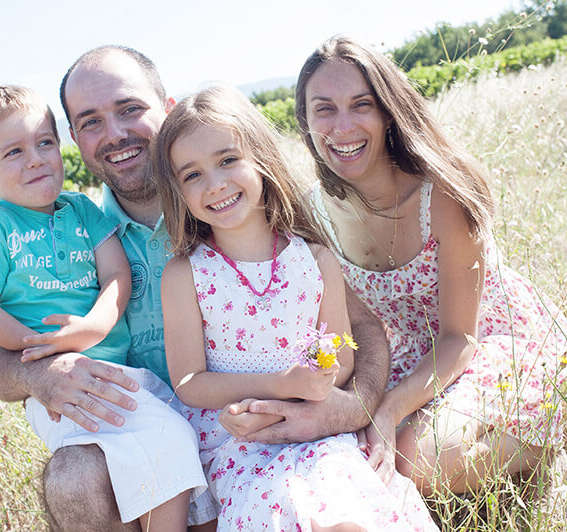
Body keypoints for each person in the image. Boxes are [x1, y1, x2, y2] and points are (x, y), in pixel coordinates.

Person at [0, 45, 390, 531]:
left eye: (130, 109)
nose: (115, 134)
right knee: (73, 476)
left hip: (263, 426)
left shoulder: (238, 207)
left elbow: (356, 326)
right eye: (91, 122)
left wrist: (350, 408)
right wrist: (38, 377)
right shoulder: (75, 234)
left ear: (167, 109)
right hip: (152, 442)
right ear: (74, 140)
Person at [294, 36, 567, 495]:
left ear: (388, 112)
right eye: (324, 108)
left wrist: (388, 410)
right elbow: (353, 330)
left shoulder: (441, 194)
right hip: (407, 355)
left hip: (486, 339)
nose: (342, 126)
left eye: (361, 104)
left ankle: (546, 448)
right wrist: (358, 403)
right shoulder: (312, 215)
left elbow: (458, 338)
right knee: (349, 458)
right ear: (305, 122)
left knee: (418, 461)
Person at [154, 85, 437, 531]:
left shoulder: (314, 260)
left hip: (318, 428)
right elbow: (189, 383)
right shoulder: (185, 273)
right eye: (192, 175)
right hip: (239, 440)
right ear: (178, 190)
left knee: (345, 508)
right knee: (281, 505)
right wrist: (279, 385)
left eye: (228, 160)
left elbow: (342, 358)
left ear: (261, 160)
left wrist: (313, 382)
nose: (216, 184)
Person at [0, 85, 207, 531]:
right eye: (13, 152)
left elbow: (116, 277)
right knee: (164, 441)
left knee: (162, 448)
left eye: (44, 143)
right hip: (66, 381)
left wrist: (91, 328)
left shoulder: (82, 212)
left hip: (118, 372)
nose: (35, 159)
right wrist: (40, 348)